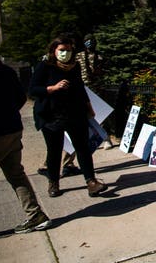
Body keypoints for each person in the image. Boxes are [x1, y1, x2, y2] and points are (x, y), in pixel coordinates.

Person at [0, 33, 52, 237]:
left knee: (15, 174)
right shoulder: (5, 71)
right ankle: (35, 214)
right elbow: (21, 98)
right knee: (15, 173)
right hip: (11, 130)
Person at [29, 36, 107, 198]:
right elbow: (33, 89)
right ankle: (53, 183)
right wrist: (52, 88)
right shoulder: (45, 66)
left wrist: (89, 107)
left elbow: (80, 87)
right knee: (54, 150)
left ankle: (91, 182)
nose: (65, 54)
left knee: (83, 148)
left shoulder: (75, 66)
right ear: (54, 51)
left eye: (68, 50)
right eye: (61, 51)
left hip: (75, 113)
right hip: (52, 116)